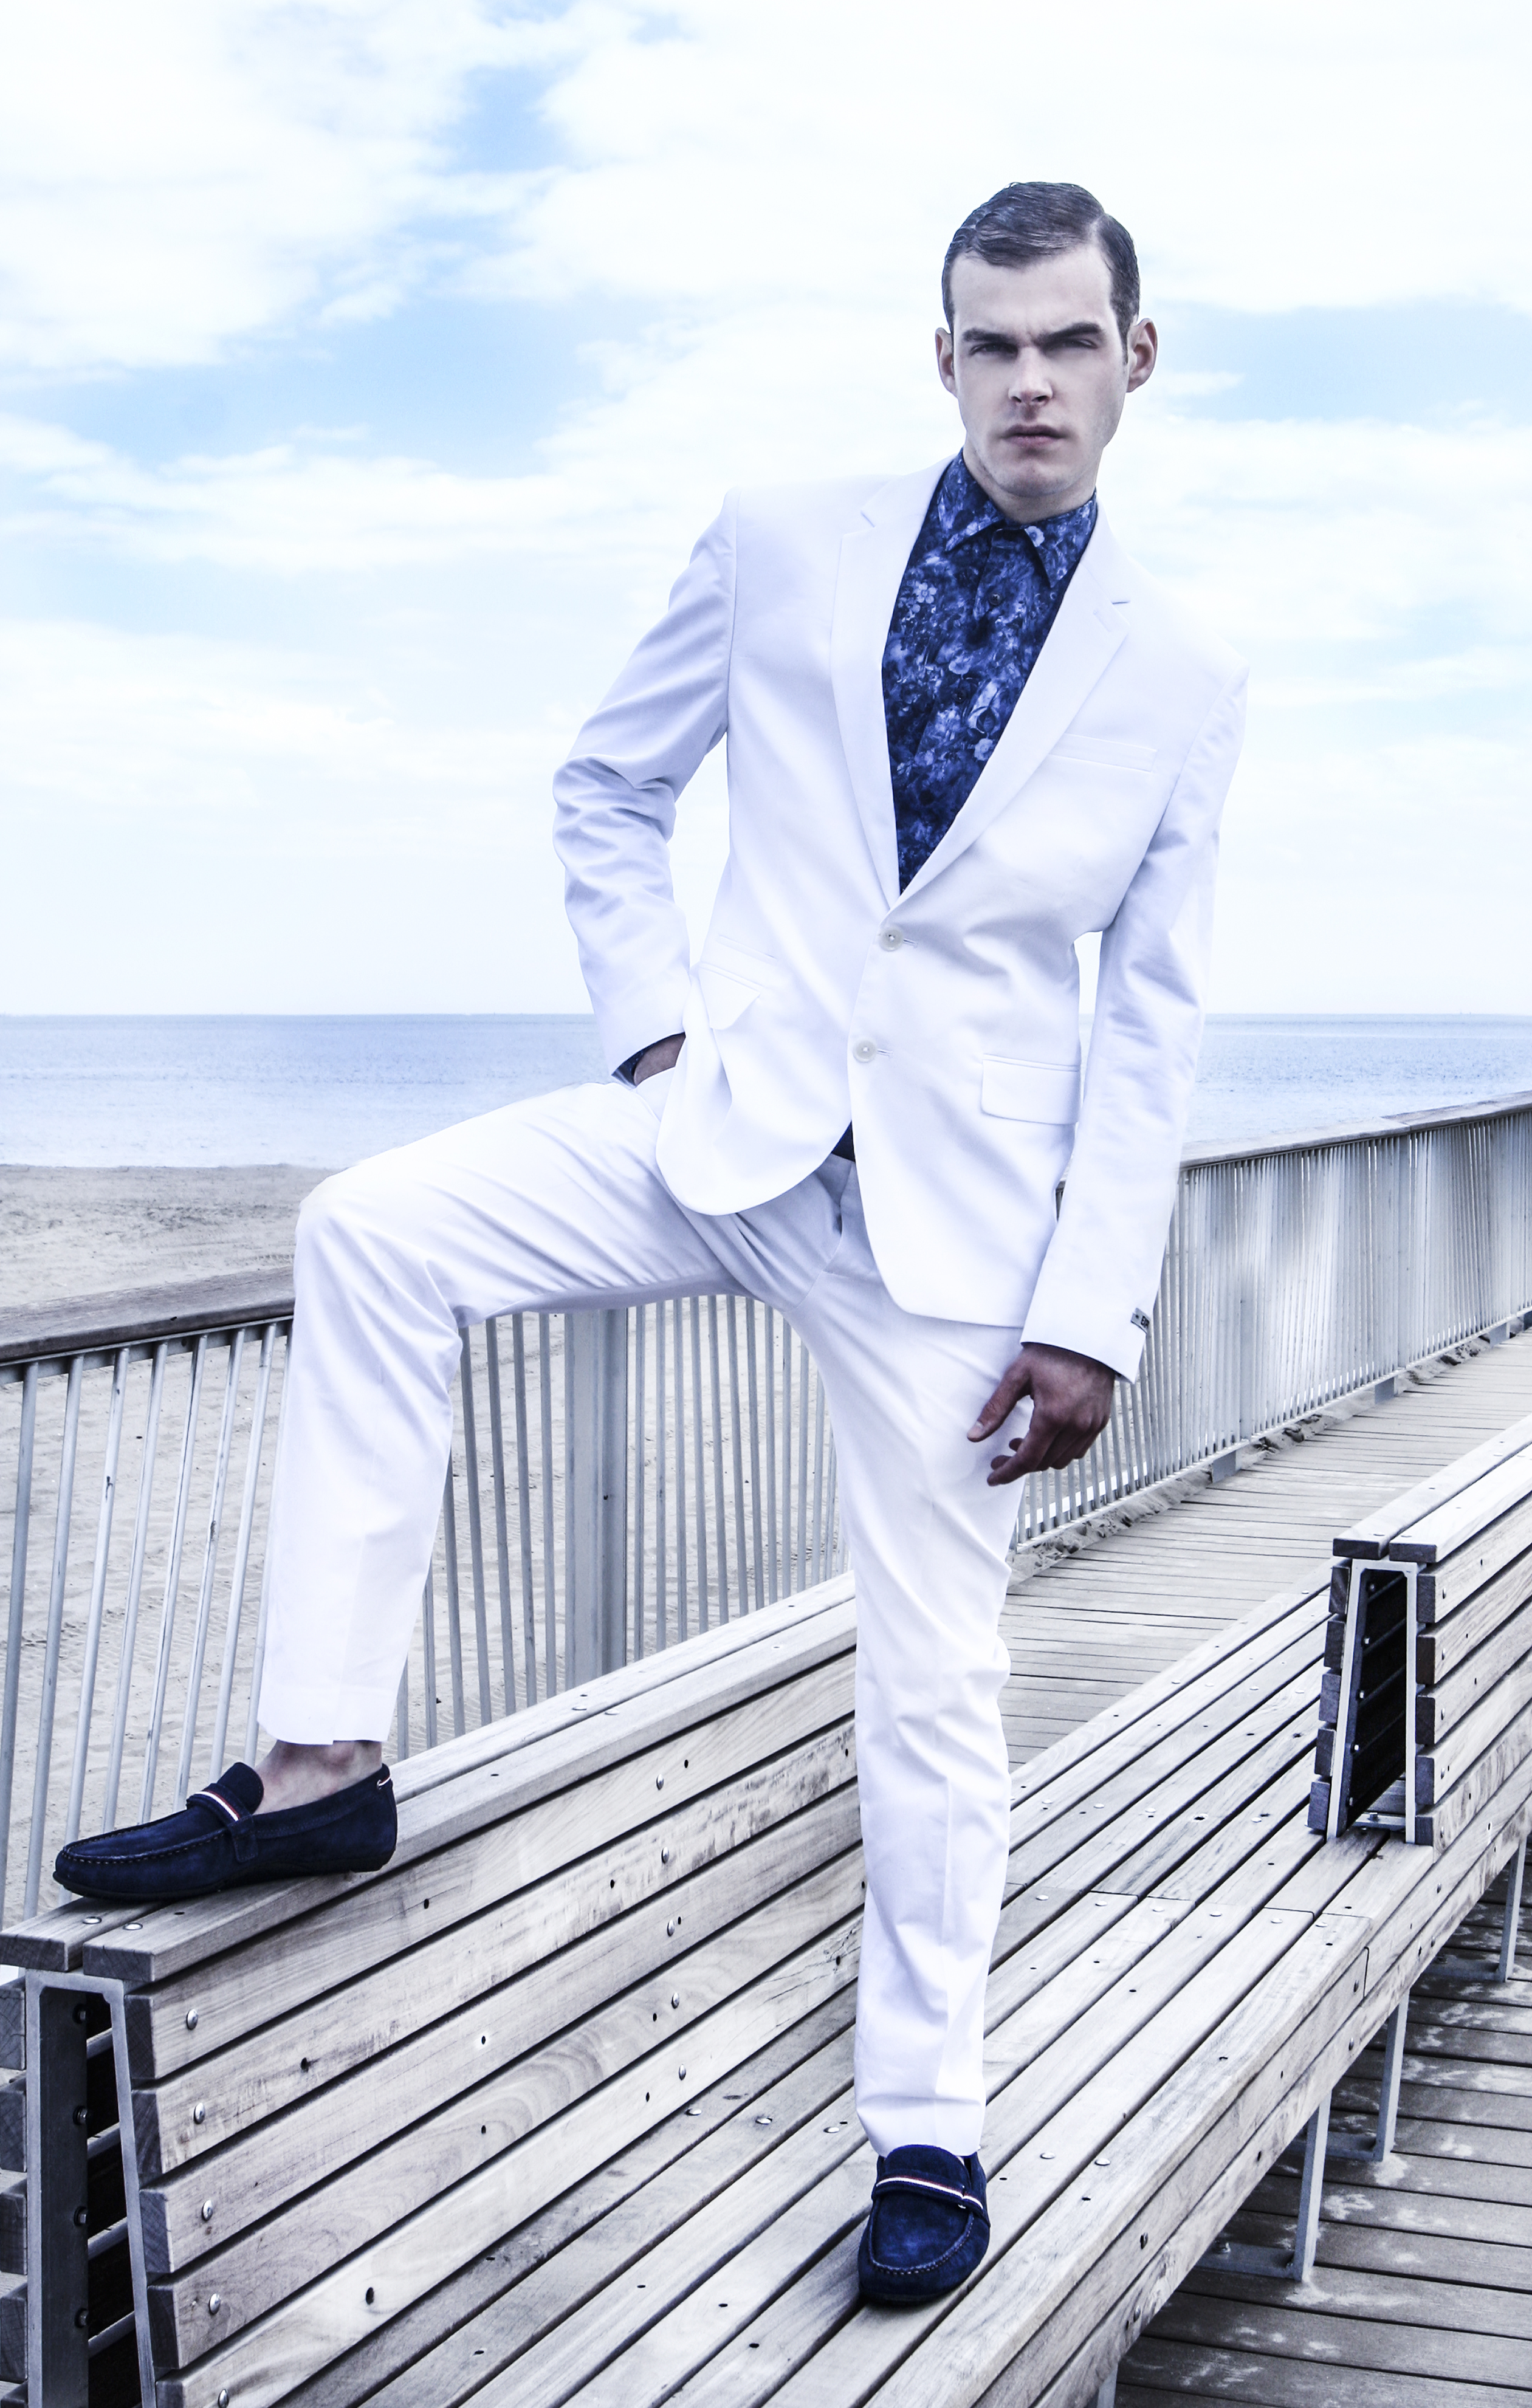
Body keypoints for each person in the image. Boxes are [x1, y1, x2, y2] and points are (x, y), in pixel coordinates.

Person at [57, 180, 1246, 2305]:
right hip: (721, 1132)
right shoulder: (781, 540)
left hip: (955, 1241)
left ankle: (928, 2122)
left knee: (937, 1684)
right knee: (372, 1228)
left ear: (1133, 357)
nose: (1029, 383)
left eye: (1069, 342)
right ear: (942, 355)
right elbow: (607, 785)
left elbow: (1147, 1015)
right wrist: (657, 1036)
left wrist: (1095, 1311)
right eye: (991, 344)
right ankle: (322, 1759)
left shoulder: (1184, 668)